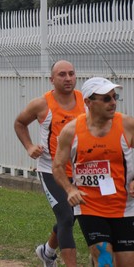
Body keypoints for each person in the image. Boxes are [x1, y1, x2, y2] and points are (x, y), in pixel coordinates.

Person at [53, 77, 134, 266]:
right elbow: (57, 166)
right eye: (106, 99)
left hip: (125, 206)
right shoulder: (71, 131)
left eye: (115, 97)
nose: (113, 103)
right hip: (90, 205)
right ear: (88, 102)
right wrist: (70, 189)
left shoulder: (127, 125)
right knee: (105, 259)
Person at [14, 60, 83, 267]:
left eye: (71, 73)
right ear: (52, 79)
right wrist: (29, 146)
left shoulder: (85, 101)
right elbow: (19, 123)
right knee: (65, 217)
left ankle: (47, 252)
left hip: (80, 170)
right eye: (62, 74)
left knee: (72, 217)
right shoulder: (41, 104)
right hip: (51, 169)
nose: (68, 78)